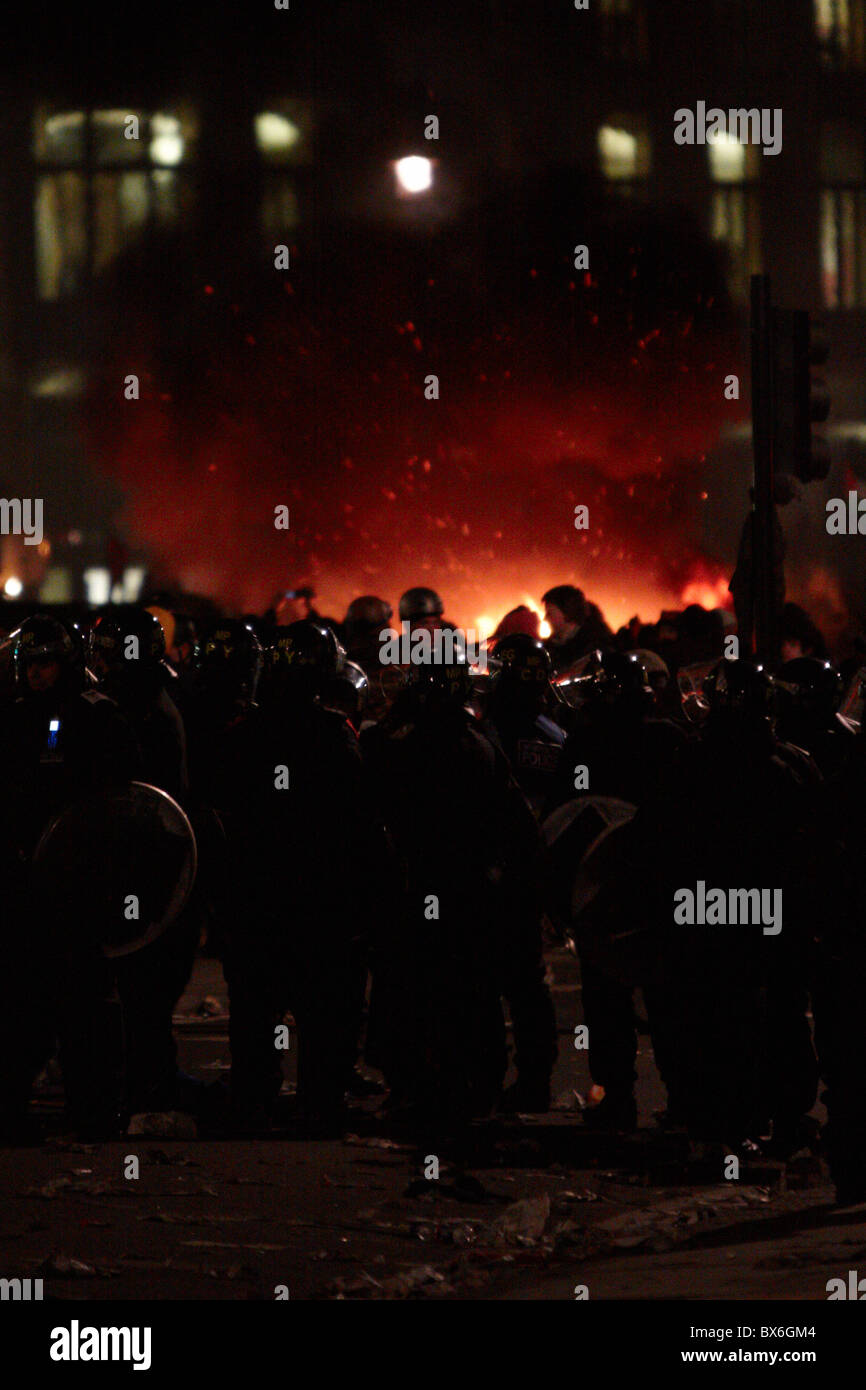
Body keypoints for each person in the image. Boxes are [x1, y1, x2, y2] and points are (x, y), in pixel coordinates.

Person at [362, 649, 552, 1131]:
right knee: (475, 990)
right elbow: (517, 823)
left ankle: (422, 1088)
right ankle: (477, 1089)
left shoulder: (402, 745)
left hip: (419, 885)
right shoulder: (480, 746)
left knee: (416, 987)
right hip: (472, 889)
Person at [219, 620, 385, 1134]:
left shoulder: (244, 734)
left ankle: (253, 1102)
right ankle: (319, 1105)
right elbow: (362, 825)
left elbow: (222, 815)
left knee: (256, 1006)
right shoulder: (335, 737)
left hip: (256, 897)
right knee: (326, 1010)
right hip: (321, 902)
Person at [0, 616, 138, 1138]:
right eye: (30, 664)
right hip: (25, 882)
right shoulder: (14, 719)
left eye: (47, 663)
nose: (38, 675)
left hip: (82, 885)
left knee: (86, 1004)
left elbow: (125, 805)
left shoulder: (99, 717)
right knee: (20, 1000)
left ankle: (96, 1110)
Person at [542, 585, 613, 672]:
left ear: (567, 611)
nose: (545, 618)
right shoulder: (548, 649)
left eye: (550, 612)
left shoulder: (596, 648)